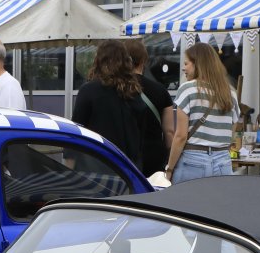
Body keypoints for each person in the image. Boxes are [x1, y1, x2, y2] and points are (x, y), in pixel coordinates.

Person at [163, 41, 237, 184]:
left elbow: (180, 136)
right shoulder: (230, 93)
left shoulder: (187, 89)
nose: (183, 68)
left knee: (184, 199)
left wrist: (169, 169)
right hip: (223, 161)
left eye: (186, 64)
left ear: (198, 64)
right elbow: (231, 131)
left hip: (193, 162)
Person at [72, 40, 145, 166]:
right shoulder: (134, 92)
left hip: (95, 165)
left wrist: (69, 166)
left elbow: (76, 131)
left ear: (98, 61)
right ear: (126, 62)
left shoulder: (88, 91)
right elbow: (140, 135)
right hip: (127, 167)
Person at [121, 37, 175, 176]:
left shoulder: (117, 89)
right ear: (144, 60)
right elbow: (169, 131)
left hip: (123, 154)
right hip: (153, 156)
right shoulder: (160, 90)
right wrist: (170, 162)